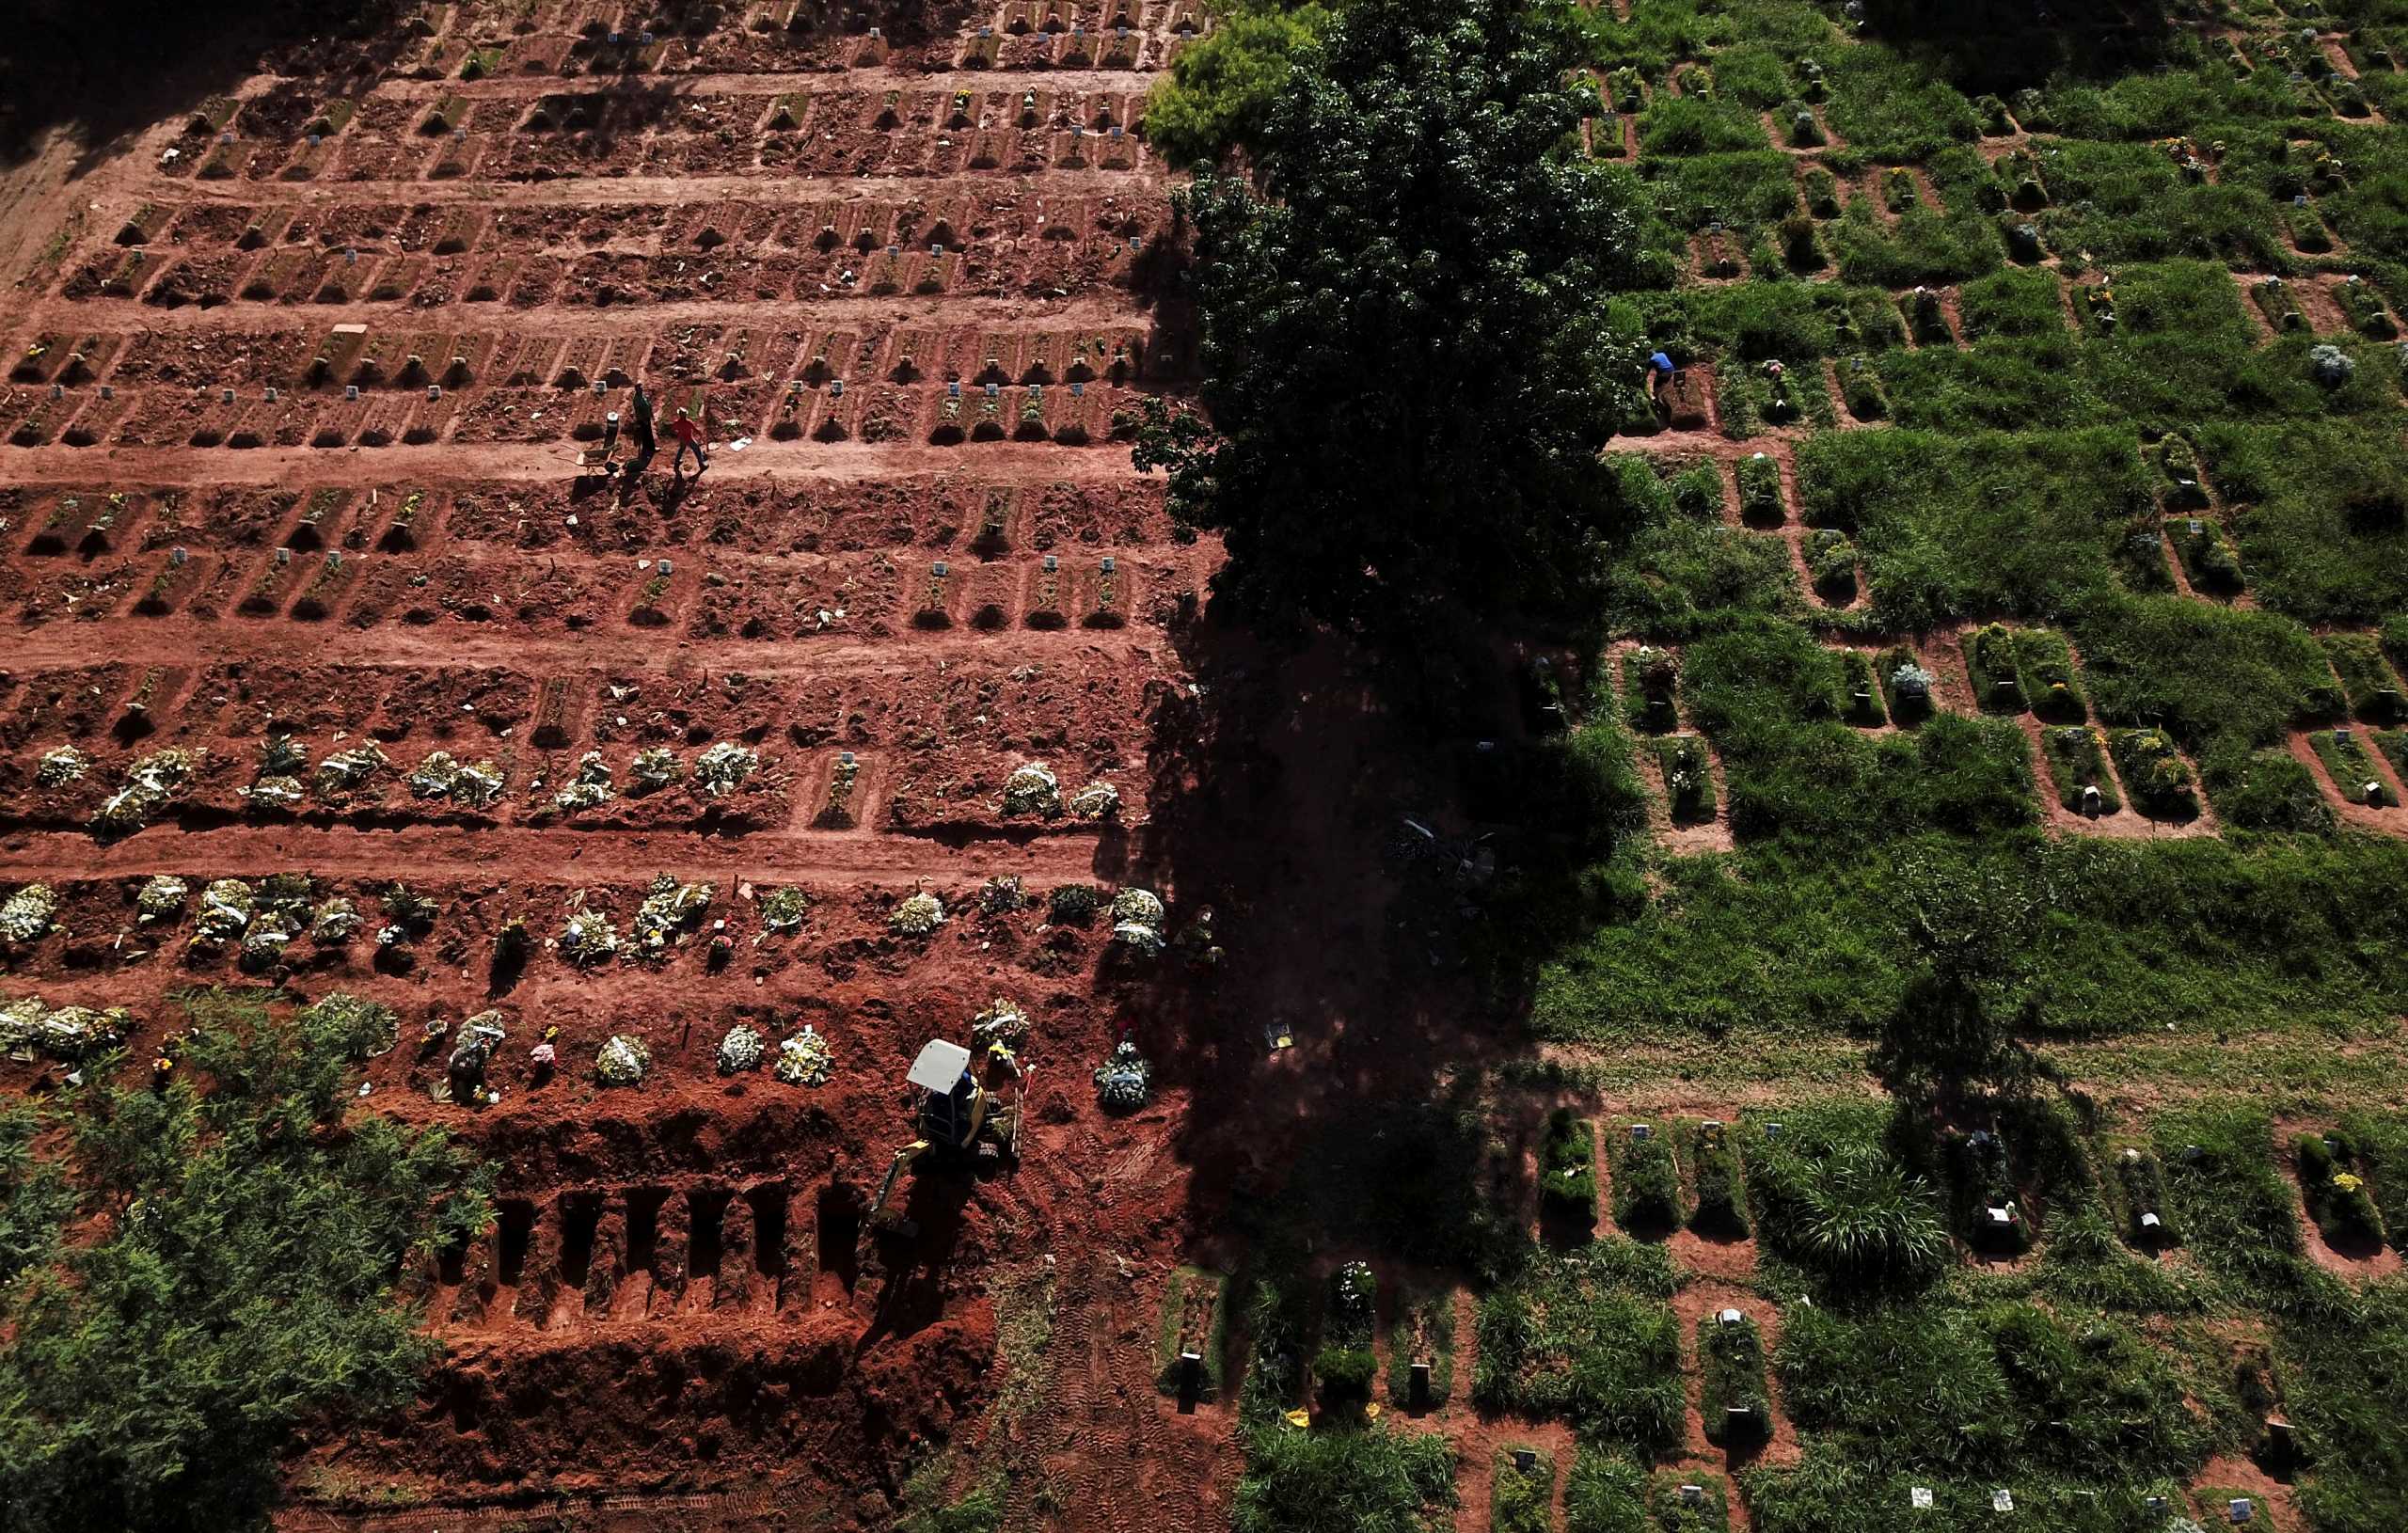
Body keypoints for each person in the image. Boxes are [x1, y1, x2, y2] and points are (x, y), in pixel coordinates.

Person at [627, 380, 658, 474]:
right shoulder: (636, 399)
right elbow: (638, 411)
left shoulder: (642, 397)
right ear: (637, 390)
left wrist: (651, 415)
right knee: (646, 435)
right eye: (640, 388)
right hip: (643, 420)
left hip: (647, 418)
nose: (642, 390)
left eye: (641, 388)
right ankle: (647, 450)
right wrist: (643, 419)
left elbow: (647, 406)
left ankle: (652, 448)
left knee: (649, 434)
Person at [670, 405, 707, 477]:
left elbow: (672, 430)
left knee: (681, 449)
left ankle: (676, 463)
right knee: (697, 450)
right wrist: (700, 433)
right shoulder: (688, 422)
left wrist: (678, 433)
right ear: (685, 415)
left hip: (682, 438)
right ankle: (701, 465)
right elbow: (695, 429)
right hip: (689, 439)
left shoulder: (677, 422)